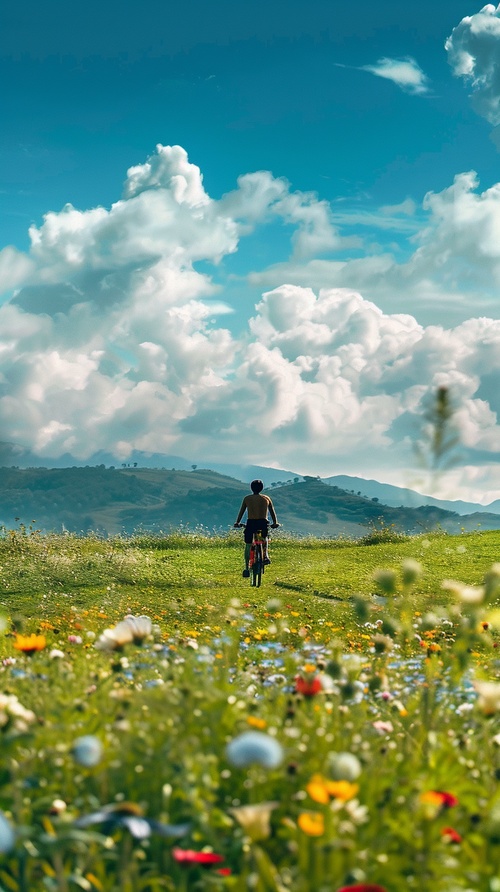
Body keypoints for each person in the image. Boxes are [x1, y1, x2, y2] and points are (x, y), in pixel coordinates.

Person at [234, 480, 279, 578]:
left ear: (251, 488)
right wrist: (275, 523)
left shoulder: (247, 499)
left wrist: (237, 522)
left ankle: (246, 568)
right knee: (263, 539)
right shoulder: (266, 498)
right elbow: (272, 512)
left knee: (248, 544)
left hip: (251, 523)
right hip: (262, 523)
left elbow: (241, 512)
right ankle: (265, 555)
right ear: (262, 488)